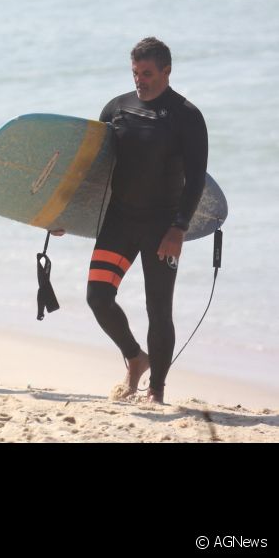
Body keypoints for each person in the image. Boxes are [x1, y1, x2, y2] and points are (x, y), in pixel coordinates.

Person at [55, 38, 208, 404]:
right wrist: (65, 214)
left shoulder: (186, 117)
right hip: (119, 222)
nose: (140, 80)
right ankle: (135, 357)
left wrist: (179, 229)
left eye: (148, 73)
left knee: (159, 309)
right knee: (98, 297)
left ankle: (156, 389)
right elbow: (94, 170)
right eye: (136, 73)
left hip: (161, 228)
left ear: (167, 72)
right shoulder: (117, 109)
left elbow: (197, 180)